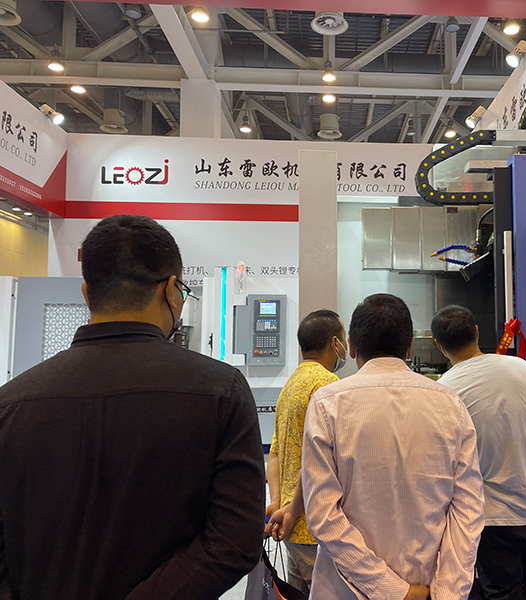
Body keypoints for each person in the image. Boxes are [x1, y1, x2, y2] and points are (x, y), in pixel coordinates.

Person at [0, 215, 265, 600]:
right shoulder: (221, 391)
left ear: (87, 293)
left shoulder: (11, 402)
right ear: (172, 291)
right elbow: (235, 541)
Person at [301, 293, 485, 600]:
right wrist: (448, 591)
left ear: (352, 347)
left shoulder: (327, 404)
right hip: (430, 587)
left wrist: (392, 590)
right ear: (410, 346)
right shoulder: (451, 404)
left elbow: (322, 515)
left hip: (347, 590)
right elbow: (468, 509)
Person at [432, 305, 526, 600]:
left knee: (502, 594)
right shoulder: (523, 369)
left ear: (438, 345)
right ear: (477, 332)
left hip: (491, 520)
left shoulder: (444, 390)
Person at [265, 309, 348, 593]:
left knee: (296, 592)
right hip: (314, 525)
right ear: (335, 343)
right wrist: (293, 509)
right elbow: (318, 459)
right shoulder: (328, 385)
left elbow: (275, 453)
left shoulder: (289, 386)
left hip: (289, 525)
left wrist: (278, 503)